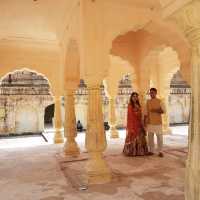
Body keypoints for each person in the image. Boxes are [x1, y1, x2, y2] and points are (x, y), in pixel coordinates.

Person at [123, 92, 148, 156]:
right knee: (133, 136)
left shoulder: (138, 105)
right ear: (131, 97)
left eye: (136, 97)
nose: (135, 98)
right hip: (133, 124)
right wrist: (131, 126)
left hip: (139, 123)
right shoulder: (130, 105)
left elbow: (141, 114)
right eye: (133, 96)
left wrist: (143, 122)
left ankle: (140, 152)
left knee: (140, 137)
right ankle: (132, 152)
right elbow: (130, 116)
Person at [144, 88, 165, 157]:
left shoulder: (160, 101)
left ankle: (160, 151)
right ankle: (151, 151)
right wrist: (144, 121)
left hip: (158, 123)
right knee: (150, 138)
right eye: (150, 93)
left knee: (159, 138)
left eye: (153, 92)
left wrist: (155, 110)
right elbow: (145, 112)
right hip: (150, 122)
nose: (151, 94)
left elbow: (163, 111)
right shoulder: (148, 102)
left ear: (156, 93)